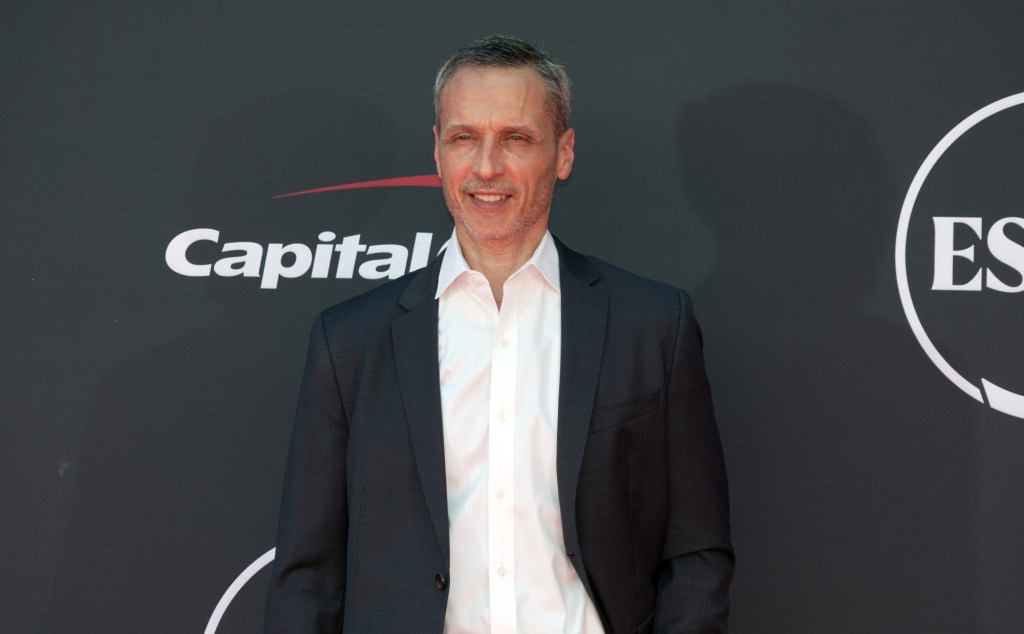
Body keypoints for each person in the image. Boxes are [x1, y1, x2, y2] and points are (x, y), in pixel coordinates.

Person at [265, 34, 733, 633]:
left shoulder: (653, 326)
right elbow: (306, 577)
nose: (487, 166)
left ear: (563, 154)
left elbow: (695, 552)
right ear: (437, 153)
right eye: (464, 138)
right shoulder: (349, 342)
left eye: (516, 138)